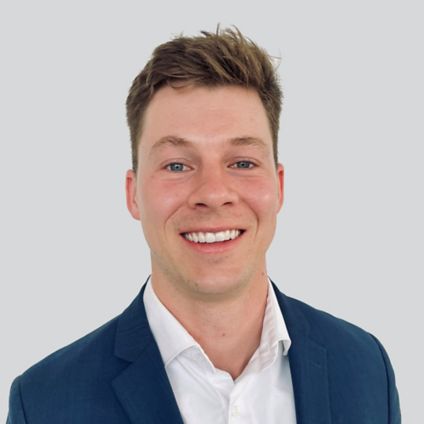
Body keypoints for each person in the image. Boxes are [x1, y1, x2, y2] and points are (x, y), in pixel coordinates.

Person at [7, 27, 401, 424]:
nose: (213, 193)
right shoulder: (44, 404)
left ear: (279, 186)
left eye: (242, 162)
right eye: (177, 165)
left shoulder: (365, 367)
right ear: (133, 194)